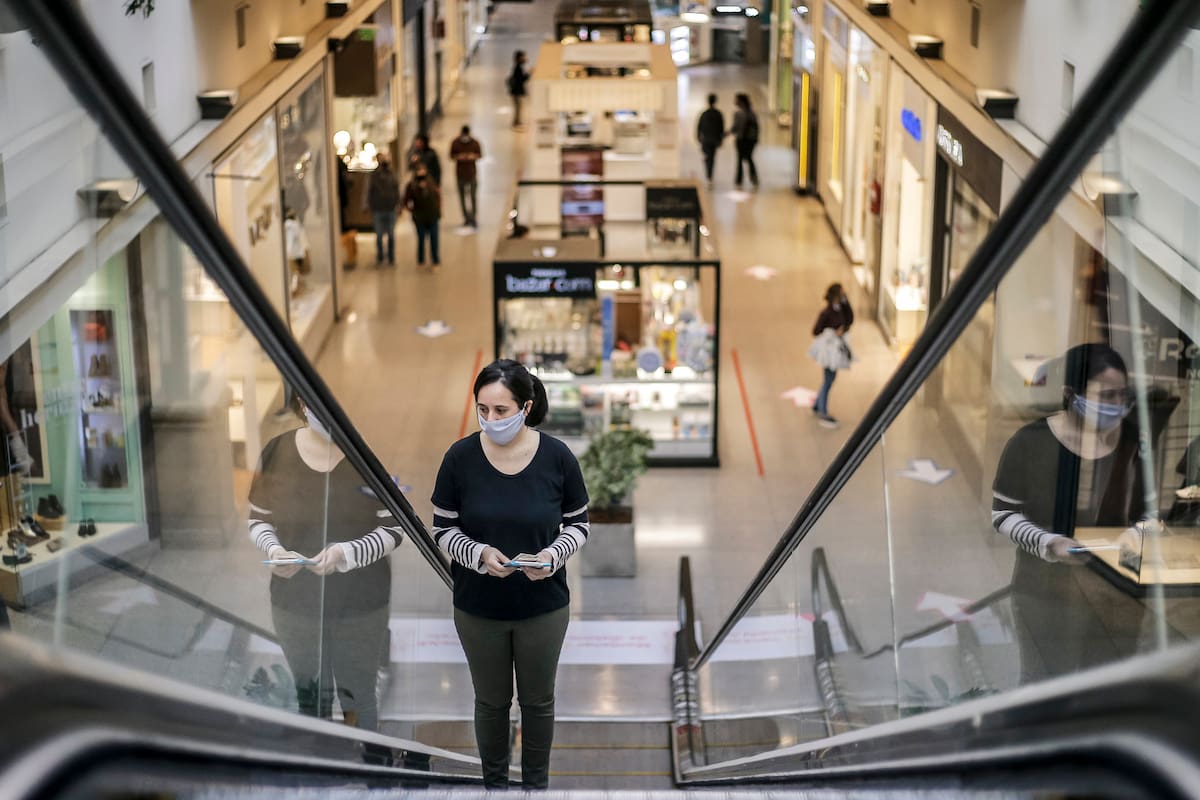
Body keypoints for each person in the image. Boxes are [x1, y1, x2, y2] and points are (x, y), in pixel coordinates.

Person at [431, 359, 590, 789]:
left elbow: (579, 524)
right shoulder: (460, 458)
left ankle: (536, 786)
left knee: (538, 703)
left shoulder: (557, 457)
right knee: (491, 702)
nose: (490, 419)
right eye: (482, 410)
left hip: (543, 607)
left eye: (501, 411)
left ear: (526, 406)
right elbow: (442, 528)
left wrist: (553, 556)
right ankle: (495, 785)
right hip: (478, 608)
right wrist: (478, 553)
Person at [991, 343, 1152, 681]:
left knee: (1105, 687)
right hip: (1045, 595)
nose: (1117, 407)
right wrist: (1049, 544)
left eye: (1122, 396)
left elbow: (1150, 512)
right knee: (1046, 685)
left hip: (1115, 595)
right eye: (1106, 396)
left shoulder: (1132, 441)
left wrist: (1135, 536)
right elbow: (1002, 514)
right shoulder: (1030, 442)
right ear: (1070, 394)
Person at [248, 396, 403, 731]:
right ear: (302, 406)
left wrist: (345, 554)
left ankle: (366, 766)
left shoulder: (366, 457)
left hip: (362, 604)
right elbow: (258, 520)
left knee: (358, 695)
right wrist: (274, 551)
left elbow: (395, 528)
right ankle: (324, 765)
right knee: (311, 697)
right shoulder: (277, 452)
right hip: (295, 603)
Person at [809, 283, 853, 428]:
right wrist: (833, 332)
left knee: (830, 379)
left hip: (836, 351)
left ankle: (817, 405)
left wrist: (846, 303)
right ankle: (823, 410)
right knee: (828, 379)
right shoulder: (826, 313)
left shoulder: (841, 309)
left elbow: (850, 319)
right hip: (828, 352)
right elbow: (816, 331)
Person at [404, 164, 442, 268]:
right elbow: (406, 201)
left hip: (433, 216)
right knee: (421, 239)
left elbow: (438, 196)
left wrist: (438, 209)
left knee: (434, 240)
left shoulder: (431, 183)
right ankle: (420, 261)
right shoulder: (411, 186)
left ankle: (435, 261)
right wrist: (413, 210)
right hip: (419, 218)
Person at [367, 155, 401, 266]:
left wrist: (398, 204)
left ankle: (391, 257)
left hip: (390, 208)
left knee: (391, 234)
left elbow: (396, 189)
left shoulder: (392, 174)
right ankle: (380, 256)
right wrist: (369, 205)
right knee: (379, 235)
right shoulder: (374, 175)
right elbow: (369, 191)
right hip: (378, 208)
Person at [450, 125, 483, 228]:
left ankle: (473, 217)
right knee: (462, 197)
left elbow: (480, 155)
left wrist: (471, 156)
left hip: (472, 174)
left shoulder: (474, 143)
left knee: (472, 197)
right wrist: (459, 157)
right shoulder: (455, 142)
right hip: (460, 174)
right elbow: (451, 155)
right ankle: (466, 217)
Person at [729, 92, 759, 189]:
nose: (735, 101)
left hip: (742, 139)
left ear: (741, 101)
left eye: (736, 99)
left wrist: (727, 133)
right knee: (749, 158)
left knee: (741, 159)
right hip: (750, 140)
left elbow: (735, 127)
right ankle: (752, 177)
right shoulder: (752, 113)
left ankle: (739, 179)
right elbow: (756, 127)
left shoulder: (738, 114)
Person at [696, 93, 725, 187]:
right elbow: (721, 128)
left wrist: (699, 137)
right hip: (713, 140)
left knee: (709, 158)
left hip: (707, 140)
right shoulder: (718, 114)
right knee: (711, 158)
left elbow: (699, 127)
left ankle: (709, 175)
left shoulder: (705, 114)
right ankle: (709, 175)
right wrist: (721, 139)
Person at [283, 207, 310, 296]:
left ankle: (294, 289)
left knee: (295, 271)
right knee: (296, 271)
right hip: (297, 251)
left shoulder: (289, 225)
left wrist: (289, 251)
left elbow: (291, 239)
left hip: (293, 252)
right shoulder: (295, 224)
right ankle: (295, 288)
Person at [508, 50, 530, 128]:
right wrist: (529, 74)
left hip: (517, 92)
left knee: (519, 108)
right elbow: (521, 79)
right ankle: (516, 123)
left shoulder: (518, 67)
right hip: (517, 92)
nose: (525, 58)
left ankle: (517, 122)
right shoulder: (517, 68)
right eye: (523, 57)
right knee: (518, 108)